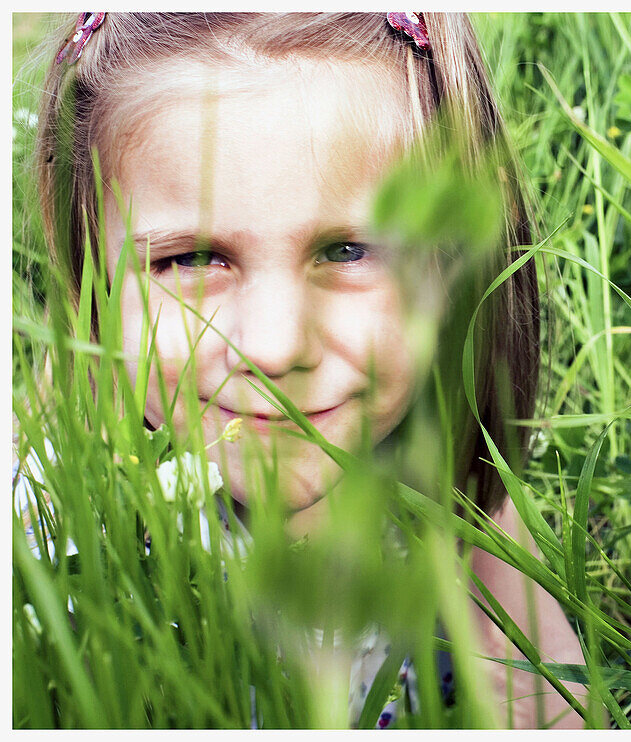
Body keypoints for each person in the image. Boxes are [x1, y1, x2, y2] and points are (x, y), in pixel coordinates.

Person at [30, 11, 586, 729]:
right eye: (192, 259)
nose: (272, 346)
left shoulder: (445, 479)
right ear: (87, 276)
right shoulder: (50, 535)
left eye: (351, 251)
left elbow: (562, 713)